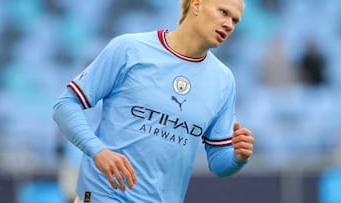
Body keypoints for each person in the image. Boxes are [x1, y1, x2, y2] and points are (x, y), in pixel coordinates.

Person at [53, 0, 254, 202]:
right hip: (102, 195)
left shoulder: (223, 80)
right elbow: (65, 105)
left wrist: (237, 158)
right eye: (223, 12)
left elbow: (219, 162)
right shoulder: (129, 49)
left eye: (235, 20)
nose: (229, 25)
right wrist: (98, 151)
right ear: (196, 5)